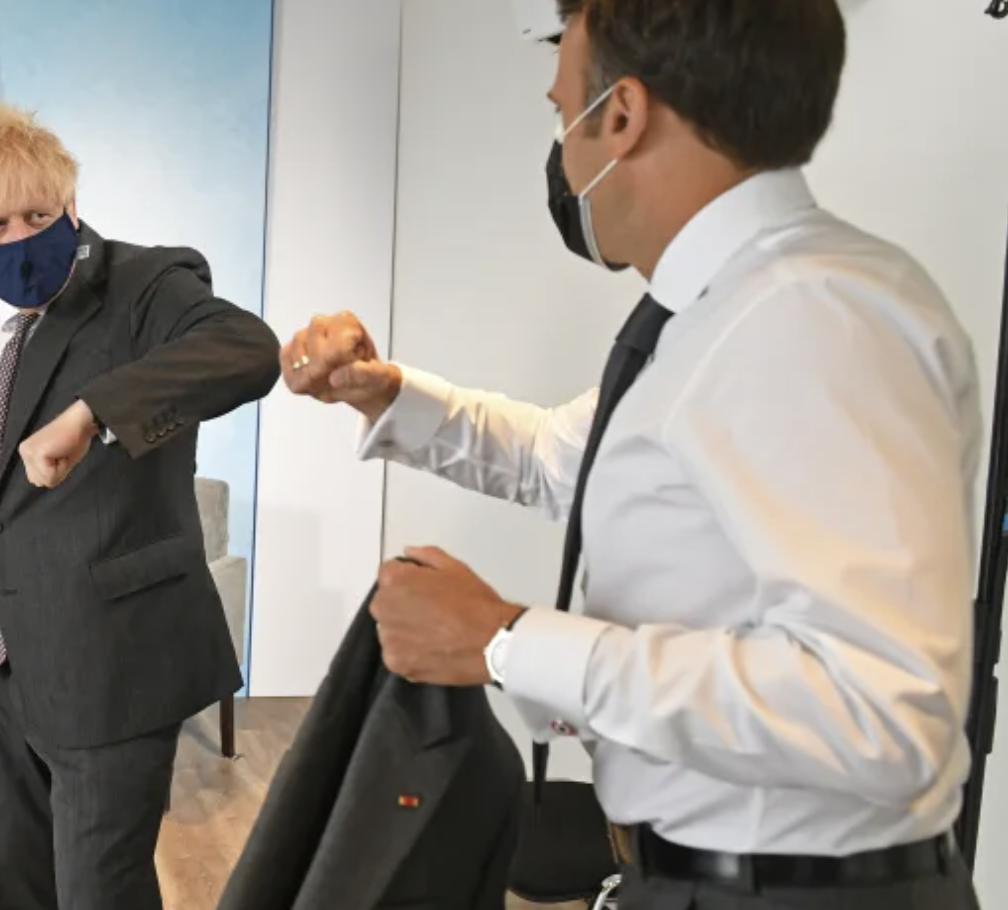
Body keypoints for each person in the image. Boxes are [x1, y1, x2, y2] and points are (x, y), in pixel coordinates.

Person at [280, 1, 983, 908]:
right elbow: (561, 459)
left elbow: (881, 709)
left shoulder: (813, 320)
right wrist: (383, 393)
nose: (562, 157)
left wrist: (506, 641)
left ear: (620, 115)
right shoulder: (723, 310)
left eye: (559, 111)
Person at [0, 104, 280, 910]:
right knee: (15, 882)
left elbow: (248, 352)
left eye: (40, 216)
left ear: (71, 205)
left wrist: (93, 414)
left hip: (113, 659)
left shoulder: (146, 284)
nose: (21, 238)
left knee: (99, 895)